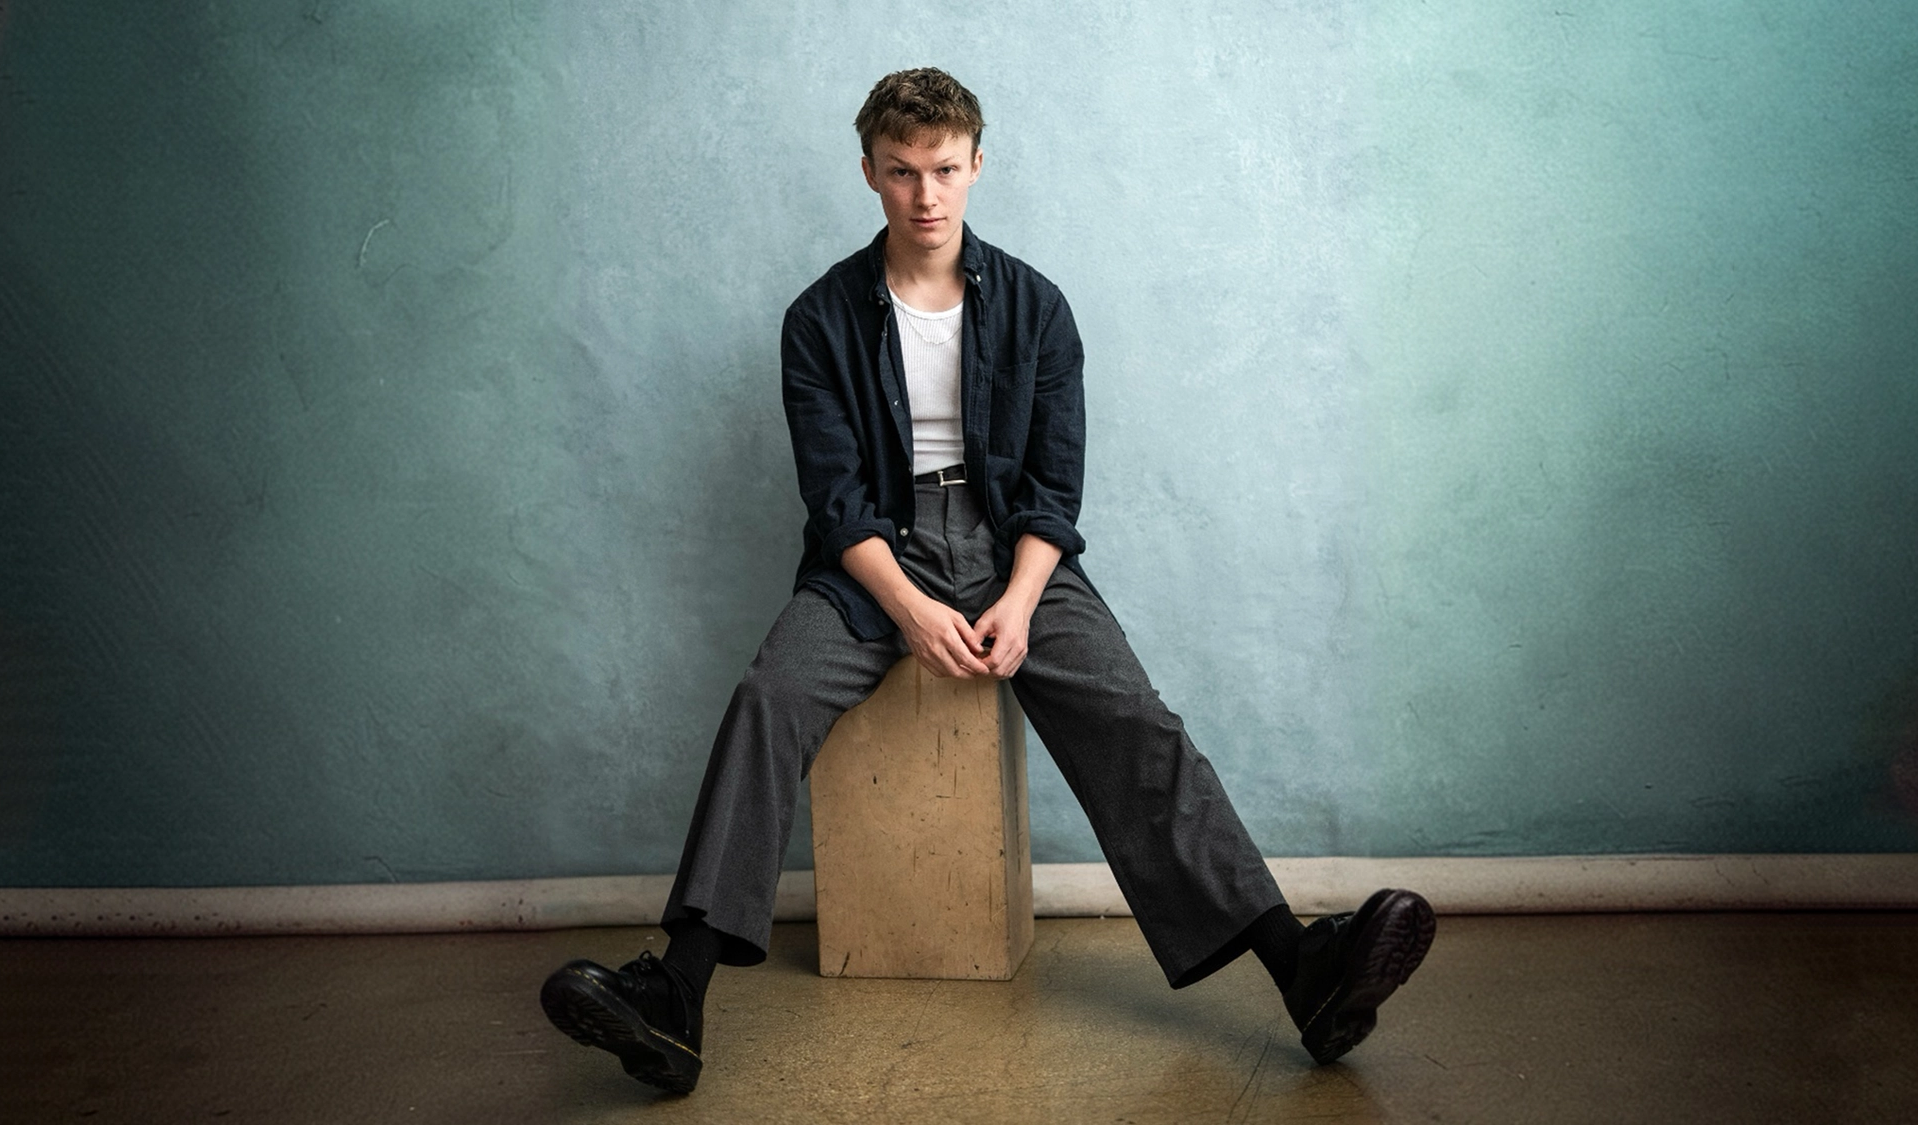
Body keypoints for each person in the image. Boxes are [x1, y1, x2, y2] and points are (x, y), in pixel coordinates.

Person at [538, 67, 1435, 1096]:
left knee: (1135, 721)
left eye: (946, 170)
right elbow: (837, 506)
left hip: (1015, 556)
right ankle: (676, 998)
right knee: (767, 697)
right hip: (876, 562)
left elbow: (1055, 489)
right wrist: (913, 610)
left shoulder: (1037, 308)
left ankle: (1303, 974)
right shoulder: (818, 320)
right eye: (902, 172)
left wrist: (1013, 601)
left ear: (978, 164)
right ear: (869, 173)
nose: (926, 196)